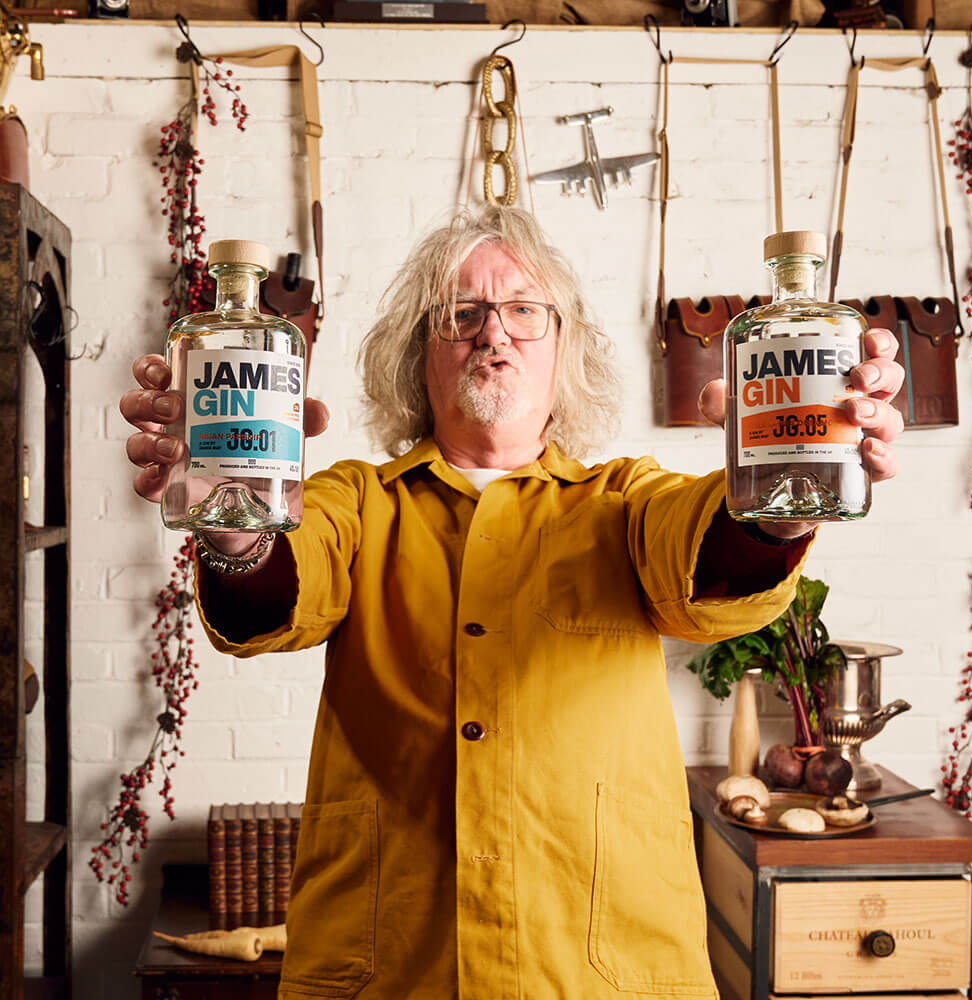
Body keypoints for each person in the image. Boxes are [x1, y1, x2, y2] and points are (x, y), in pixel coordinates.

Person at [120, 206, 903, 1000]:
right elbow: (272, 594)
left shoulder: (625, 501)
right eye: (462, 314)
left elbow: (712, 561)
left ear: (563, 353)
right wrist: (232, 522)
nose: (494, 334)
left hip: (600, 977)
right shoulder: (355, 502)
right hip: (392, 971)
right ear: (416, 357)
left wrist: (782, 490)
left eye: (525, 311)